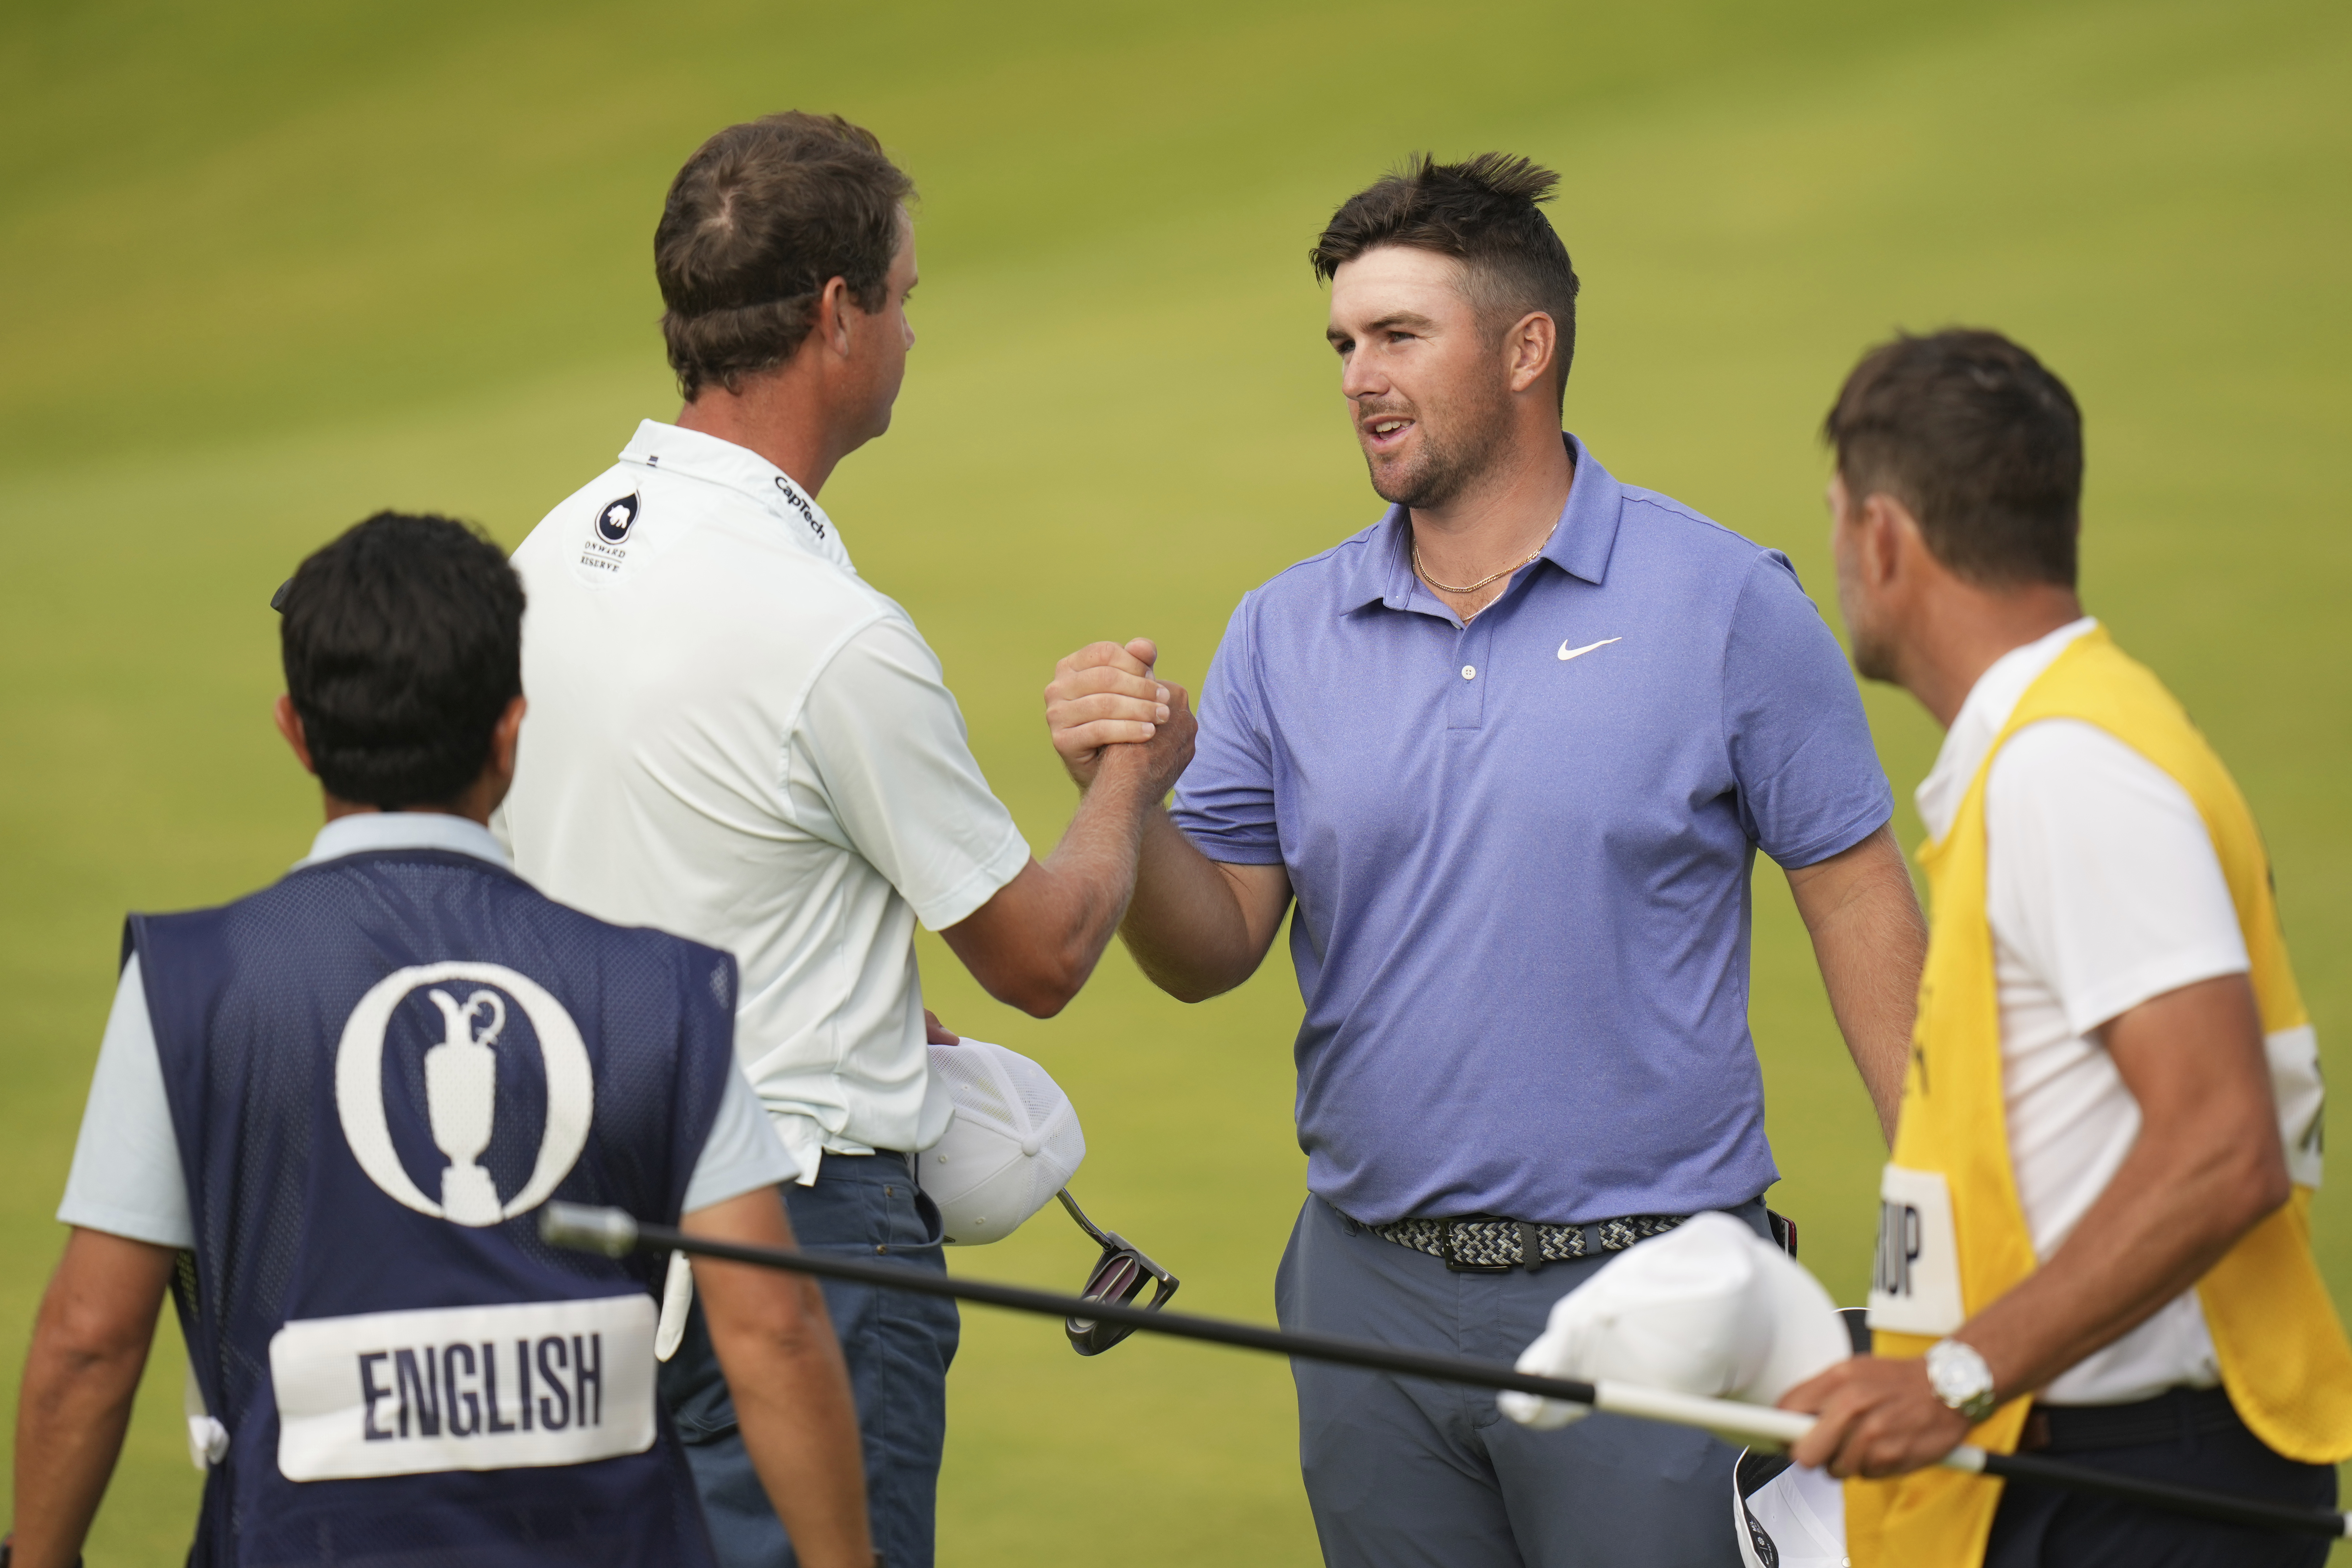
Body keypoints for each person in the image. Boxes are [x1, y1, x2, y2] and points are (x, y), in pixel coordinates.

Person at [1045, 153, 1927, 1566]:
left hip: (1653, 1295)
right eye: (1342, 342)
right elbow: (1209, 949)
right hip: (1366, 1297)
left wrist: (1953, 1242)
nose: (1355, 375)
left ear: (1527, 349)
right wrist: (1133, 800)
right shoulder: (1285, 627)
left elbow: (1860, 906)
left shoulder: (1722, 602)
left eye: (1398, 336)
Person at [497, 113, 1192, 1568]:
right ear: (836, 316)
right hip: (805, 1240)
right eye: (906, 298)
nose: (912, 335)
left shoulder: (544, 557)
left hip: (565, 1221)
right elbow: (1043, 954)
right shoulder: (834, 633)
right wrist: (1131, 773)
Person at [7, 513, 871, 1567]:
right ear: (511, 732)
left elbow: (90, 1340)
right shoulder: (662, 989)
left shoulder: (192, 983)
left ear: (295, 731)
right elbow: (772, 1325)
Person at [1779, 329, 2352, 1567]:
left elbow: (2224, 1143)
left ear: (1883, 537)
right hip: (2082, 1451)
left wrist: (1954, 1375)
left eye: (1836, 521)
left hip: (2137, 1475)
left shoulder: (2066, 771)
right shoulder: (2061, 746)